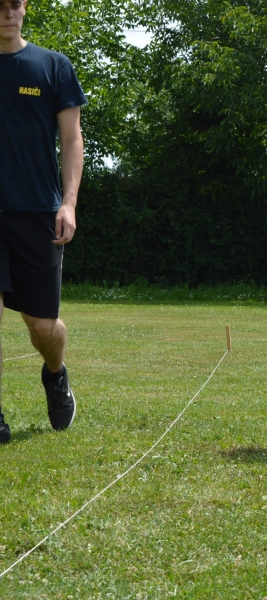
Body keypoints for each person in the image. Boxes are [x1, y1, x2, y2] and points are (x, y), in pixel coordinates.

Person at [0, 0, 86, 444]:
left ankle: (56, 374)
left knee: (42, 325)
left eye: (13, 3)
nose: (6, 12)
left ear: (25, 7)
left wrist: (68, 203)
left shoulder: (53, 67)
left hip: (37, 211)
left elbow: (72, 141)